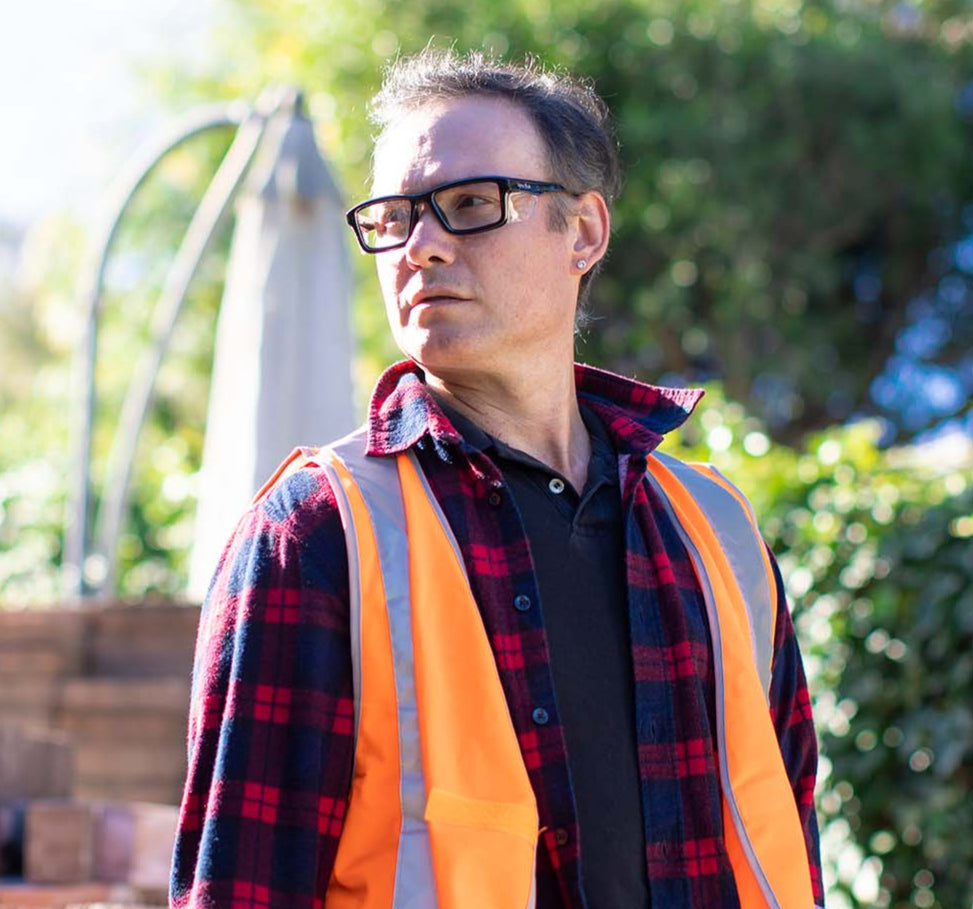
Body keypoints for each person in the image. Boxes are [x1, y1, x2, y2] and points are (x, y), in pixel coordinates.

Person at [171, 49, 825, 909]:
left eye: (471, 205)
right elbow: (240, 891)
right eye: (395, 218)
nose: (422, 246)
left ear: (582, 232)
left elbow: (789, 842)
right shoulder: (315, 532)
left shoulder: (720, 532)